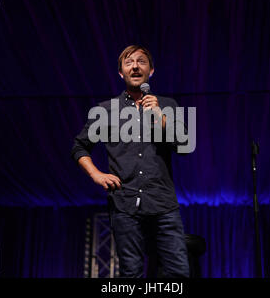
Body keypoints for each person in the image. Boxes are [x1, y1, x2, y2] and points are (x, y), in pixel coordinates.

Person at [71, 45, 190, 278]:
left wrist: (160, 117)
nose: (135, 66)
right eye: (129, 63)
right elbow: (79, 146)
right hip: (124, 205)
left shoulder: (167, 105)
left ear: (151, 70)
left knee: (179, 274)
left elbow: (185, 146)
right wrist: (96, 174)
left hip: (163, 204)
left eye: (141, 61)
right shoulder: (105, 110)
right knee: (131, 274)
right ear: (121, 73)